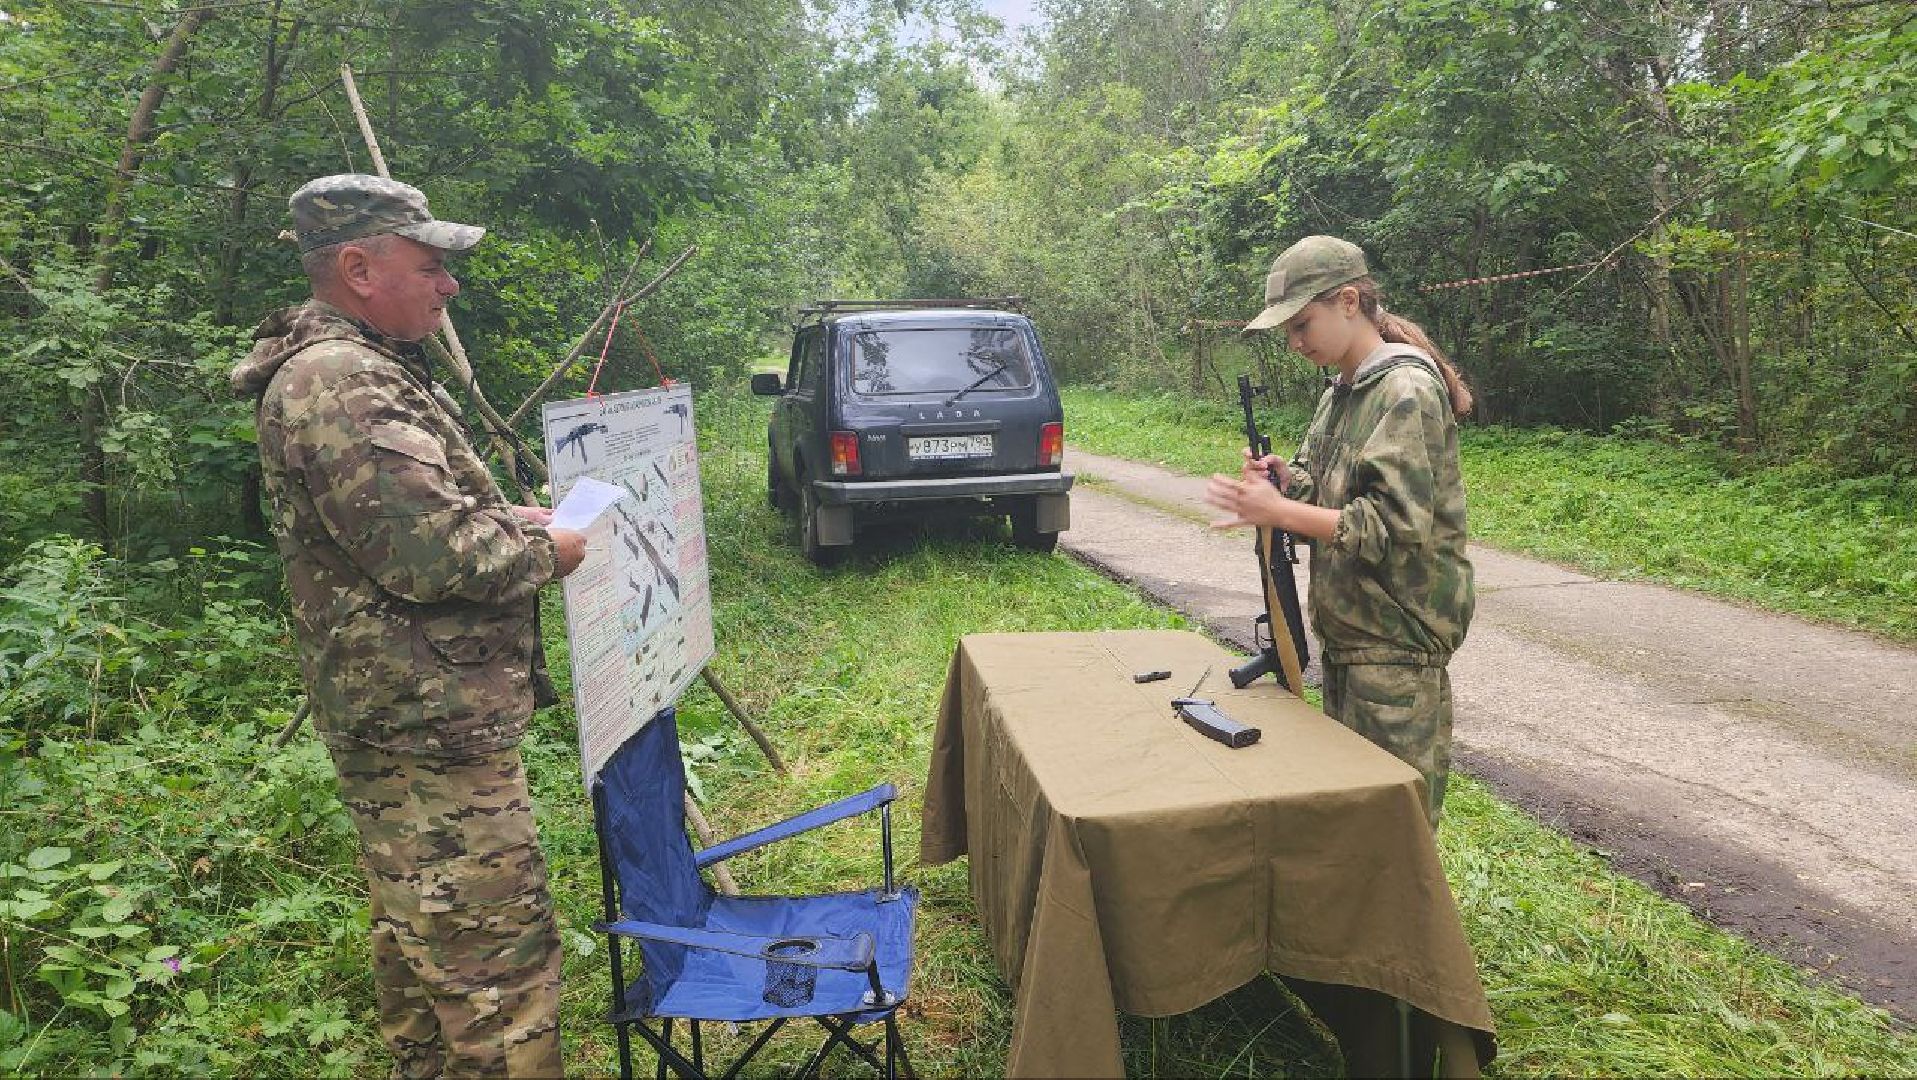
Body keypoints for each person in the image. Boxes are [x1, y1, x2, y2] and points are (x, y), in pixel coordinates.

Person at [230, 174, 587, 1077]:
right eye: (430, 266)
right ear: (358, 266)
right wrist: (553, 551)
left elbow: (400, 526)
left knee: (421, 939)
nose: (449, 285)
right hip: (423, 726)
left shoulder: (354, 365)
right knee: (493, 967)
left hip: (402, 714)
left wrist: (512, 520)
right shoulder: (343, 379)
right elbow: (434, 559)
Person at [1205, 235, 1474, 826]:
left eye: (1303, 324)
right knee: (1353, 817)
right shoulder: (1342, 394)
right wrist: (1285, 483)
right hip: (1354, 638)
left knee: (1390, 822)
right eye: (1287, 332)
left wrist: (1277, 513)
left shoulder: (1405, 392)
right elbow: (1331, 495)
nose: (1295, 342)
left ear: (1349, 301)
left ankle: (1404, 922)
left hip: (1398, 641)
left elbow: (1392, 527)